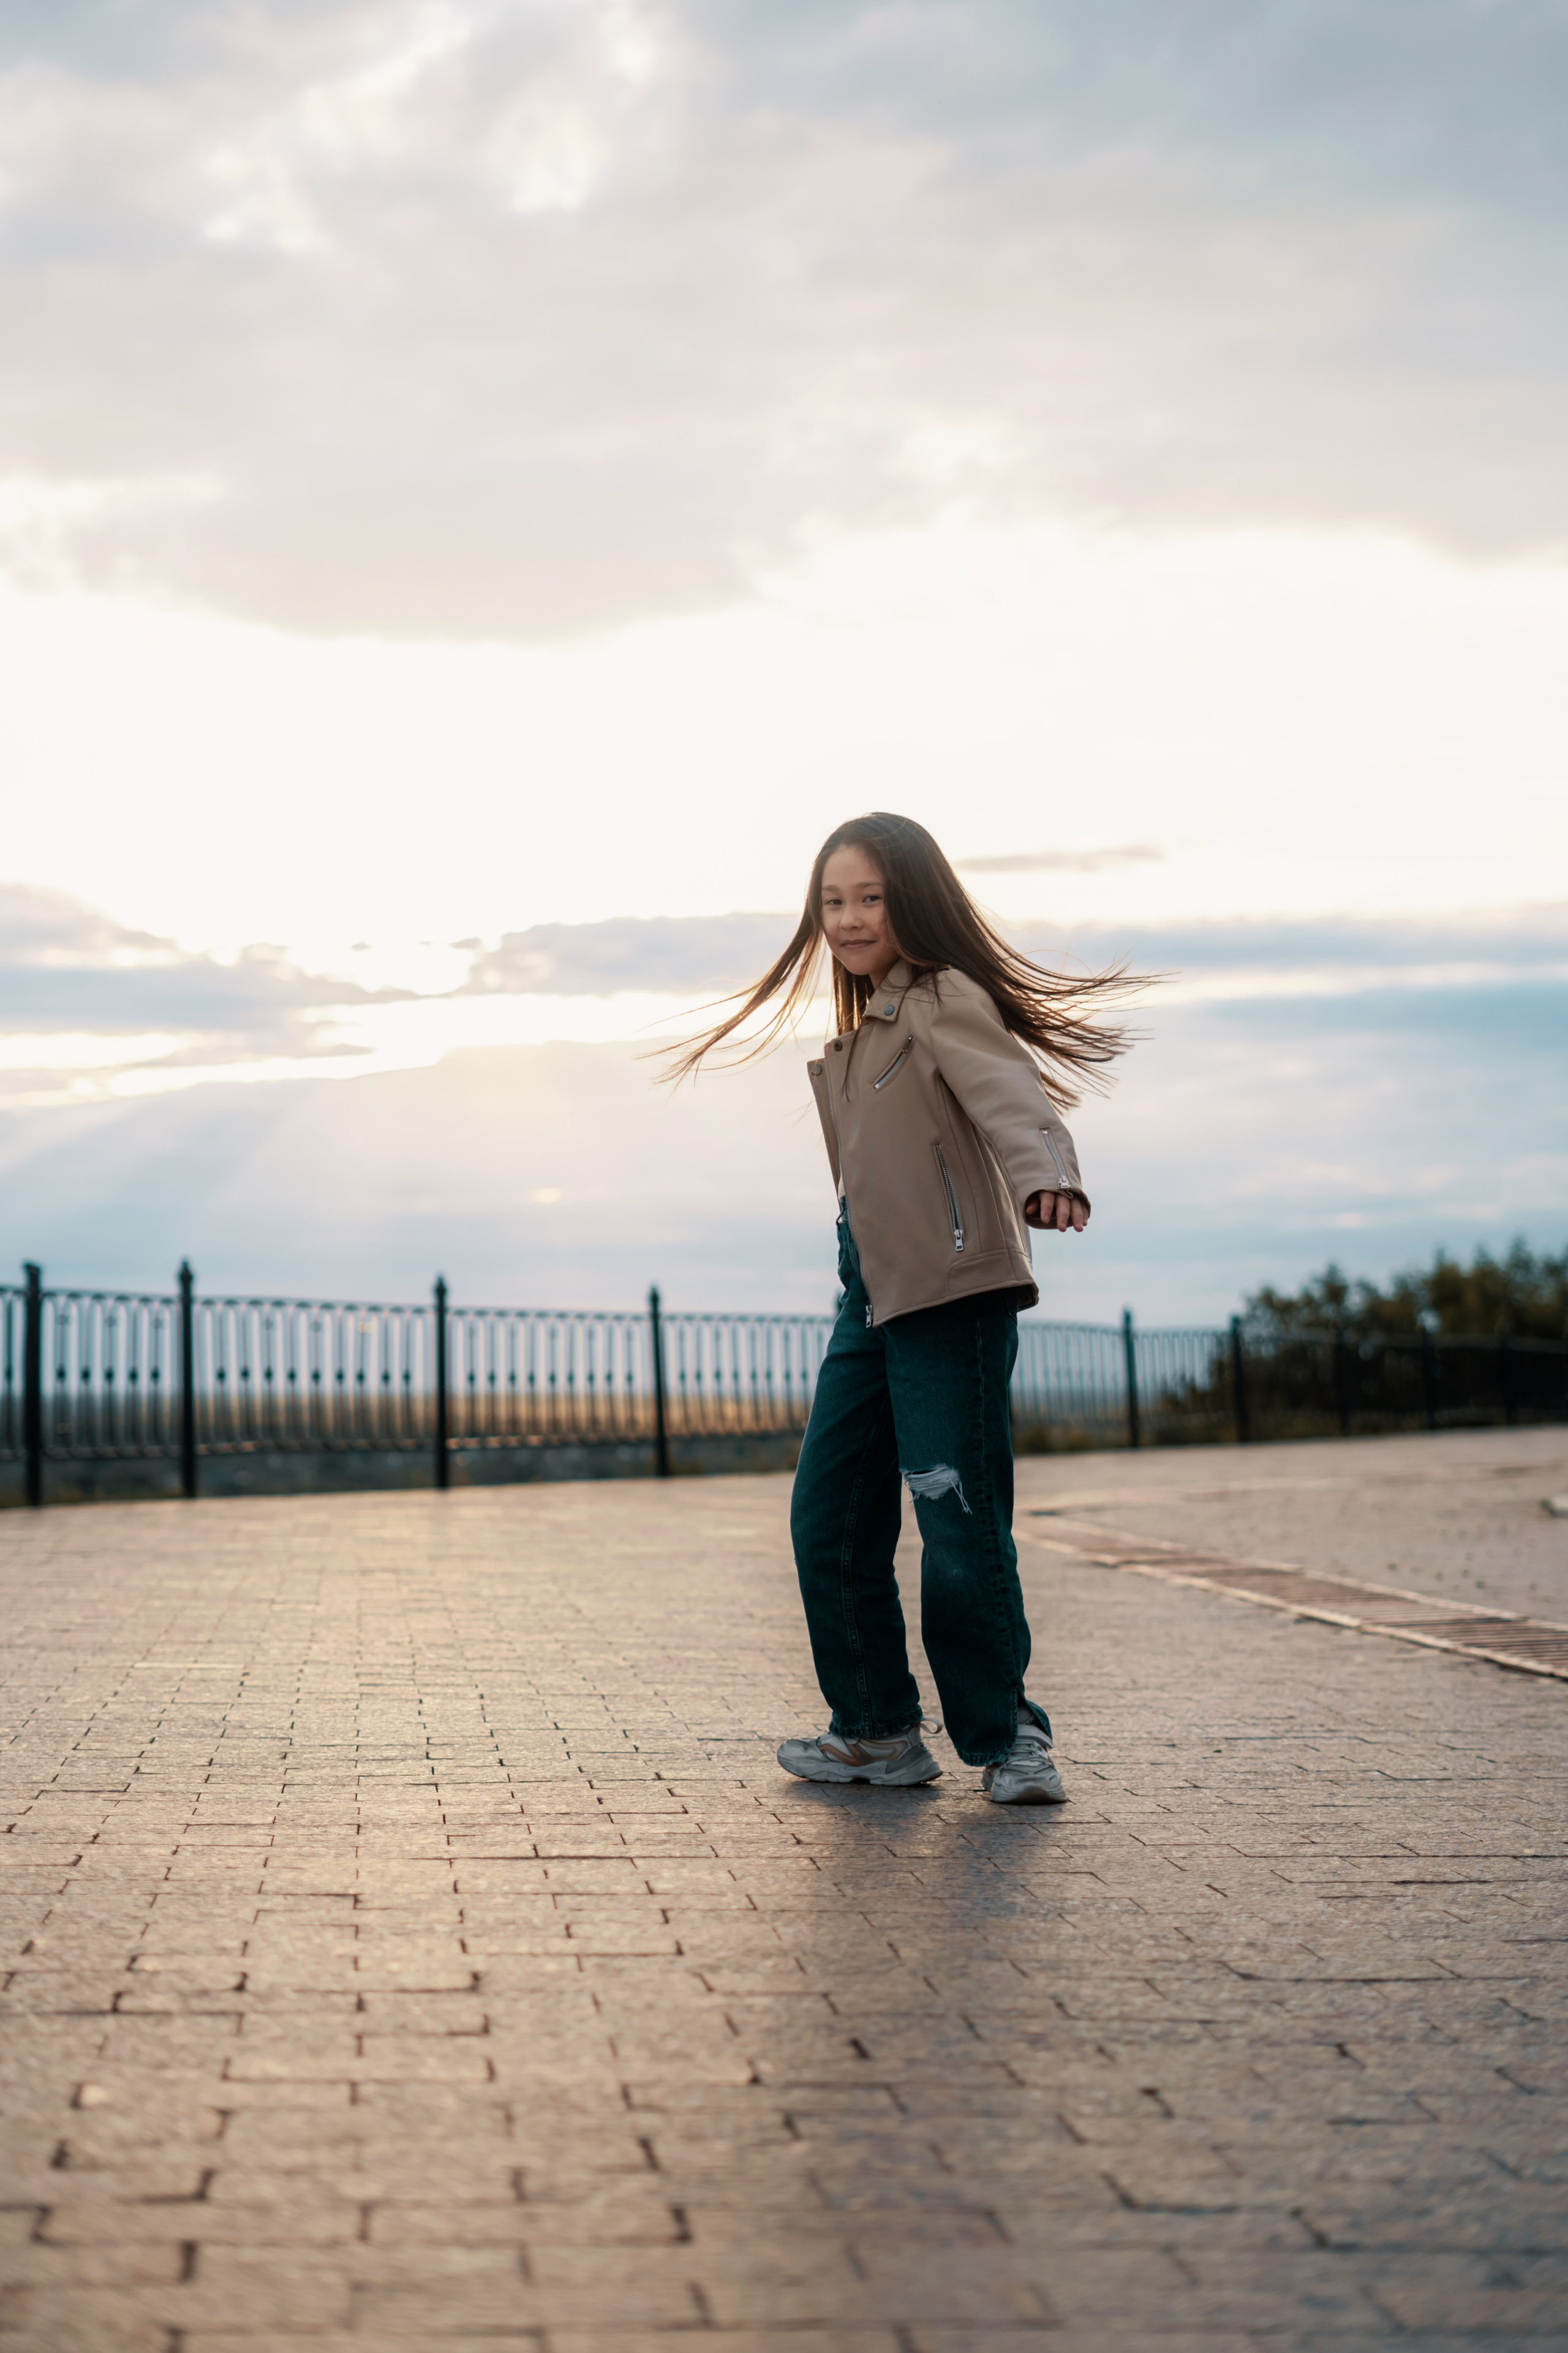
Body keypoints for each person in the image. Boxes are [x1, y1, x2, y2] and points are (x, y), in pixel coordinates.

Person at [668, 812, 1134, 1803]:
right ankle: (877, 1728)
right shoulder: (869, 1025)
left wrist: (1050, 1176)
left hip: (950, 1291)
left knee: (956, 1517)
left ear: (911, 899)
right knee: (828, 1512)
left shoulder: (939, 997)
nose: (847, 918)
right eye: (832, 901)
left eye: (868, 897)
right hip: (872, 1299)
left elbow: (1011, 1092)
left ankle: (1011, 1738)